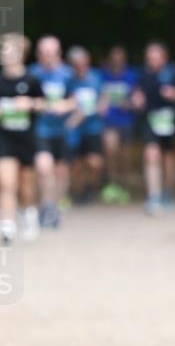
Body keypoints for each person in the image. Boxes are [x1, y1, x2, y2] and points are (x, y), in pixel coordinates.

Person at [0, 32, 42, 244]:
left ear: (20, 54)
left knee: (26, 185)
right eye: (2, 51)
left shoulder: (31, 80)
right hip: (3, 138)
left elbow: (43, 103)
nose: (4, 54)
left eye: (8, 51)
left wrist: (30, 104)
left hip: (25, 139)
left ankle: (29, 216)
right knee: (6, 181)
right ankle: (7, 226)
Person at [132, 40, 175, 215]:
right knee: (151, 154)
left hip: (169, 119)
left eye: (155, 58)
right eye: (149, 58)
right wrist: (137, 99)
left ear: (164, 57)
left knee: (168, 157)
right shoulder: (143, 73)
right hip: (149, 118)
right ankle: (153, 196)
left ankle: (167, 192)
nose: (152, 61)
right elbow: (137, 92)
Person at [28, 35, 75, 228]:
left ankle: (54, 206)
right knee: (43, 166)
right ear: (38, 54)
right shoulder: (31, 74)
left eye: (51, 53)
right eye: (44, 53)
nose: (48, 56)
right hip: (40, 128)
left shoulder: (68, 74)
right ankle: (46, 206)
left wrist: (65, 106)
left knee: (61, 171)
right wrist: (36, 104)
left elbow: (75, 99)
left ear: (59, 53)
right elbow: (24, 99)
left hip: (62, 130)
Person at [65, 45, 107, 203]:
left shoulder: (96, 77)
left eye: (82, 61)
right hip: (75, 130)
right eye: (76, 63)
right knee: (76, 162)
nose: (80, 65)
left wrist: (93, 109)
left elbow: (103, 99)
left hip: (93, 127)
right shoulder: (70, 80)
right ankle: (78, 191)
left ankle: (92, 186)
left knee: (94, 161)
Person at [100, 45, 138, 204]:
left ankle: (124, 184)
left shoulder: (131, 75)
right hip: (109, 121)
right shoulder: (103, 75)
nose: (117, 62)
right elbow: (98, 94)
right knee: (110, 150)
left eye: (120, 59)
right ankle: (112, 183)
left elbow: (137, 98)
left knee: (125, 155)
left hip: (126, 121)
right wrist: (101, 103)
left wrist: (129, 103)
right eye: (114, 59)